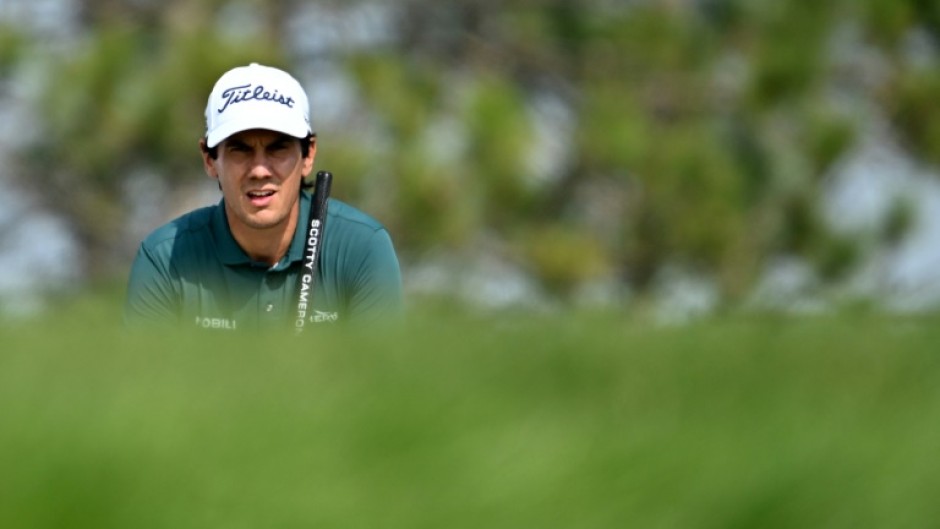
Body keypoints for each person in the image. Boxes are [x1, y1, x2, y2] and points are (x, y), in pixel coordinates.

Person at [125, 63, 403, 330]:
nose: (259, 170)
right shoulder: (163, 258)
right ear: (209, 159)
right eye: (240, 150)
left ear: (309, 155)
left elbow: (380, 377)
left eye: (277, 149)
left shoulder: (362, 248)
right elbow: (147, 378)